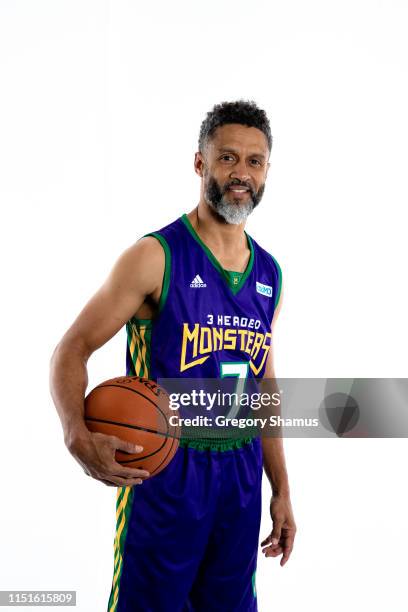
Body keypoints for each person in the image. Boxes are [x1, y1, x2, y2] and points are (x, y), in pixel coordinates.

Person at [49, 99, 297, 611]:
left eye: (255, 161)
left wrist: (282, 489)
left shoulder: (270, 275)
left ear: (268, 169)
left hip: (241, 480)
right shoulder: (154, 256)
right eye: (228, 158)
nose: (241, 174)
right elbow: (71, 348)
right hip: (165, 476)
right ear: (200, 163)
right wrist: (76, 431)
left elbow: (263, 390)